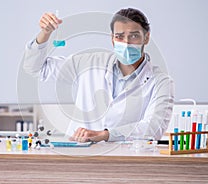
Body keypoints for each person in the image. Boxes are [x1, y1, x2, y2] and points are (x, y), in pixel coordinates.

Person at [24, 8, 174, 143]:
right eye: (120, 36)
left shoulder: (161, 82)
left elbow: (154, 127)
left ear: (146, 37)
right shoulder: (91, 63)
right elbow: (35, 68)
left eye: (134, 36)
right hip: (78, 153)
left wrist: (106, 135)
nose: (127, 43)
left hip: (125, 160)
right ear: (112, 38)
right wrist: (45, 33)